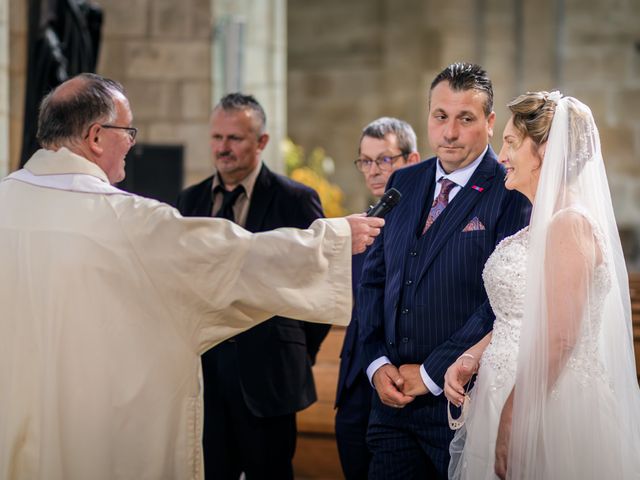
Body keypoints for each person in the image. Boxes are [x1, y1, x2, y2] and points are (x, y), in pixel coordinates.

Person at [0, 73, 384, 480]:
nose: (132, 142)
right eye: (128, 130)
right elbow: (233, 256)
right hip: (91, 438)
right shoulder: (128, 221)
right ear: (96, 137)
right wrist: (334, 238)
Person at [445, 92, 640, 479]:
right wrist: (473, 355)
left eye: (512, 143)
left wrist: (515, 417)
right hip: (504, 389)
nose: (501, 156)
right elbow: (521, 315)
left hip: (550, 404)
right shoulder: (539, 226)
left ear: (546, 150)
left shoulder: (570, 225)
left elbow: (561, 337)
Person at [357, 62, 531, 479]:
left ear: (489, 123)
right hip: (390, 403)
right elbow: (373, 279)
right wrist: (377, 361)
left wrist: (432, 373)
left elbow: (503, 302)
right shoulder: (405, 181)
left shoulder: (509, 189)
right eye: (440, 116)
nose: (449, 133)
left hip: (461, 401)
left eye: (465, 119)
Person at [176, 93, 332, 480]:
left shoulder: (295, 199)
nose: (222, 148)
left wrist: (294, 348)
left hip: (268, 372)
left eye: (235, 138)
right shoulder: (190, 200)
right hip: (204, 373)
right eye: (216, 138)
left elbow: (320, 282)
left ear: (261, 141)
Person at [335, 117, 420, 479]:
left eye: (384, 160)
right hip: (356, 381)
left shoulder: (425, 225)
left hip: (400, 383)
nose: (373, 171)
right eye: (365, 161)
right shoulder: (359, 226)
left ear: (411, 161)